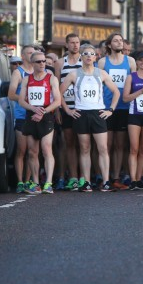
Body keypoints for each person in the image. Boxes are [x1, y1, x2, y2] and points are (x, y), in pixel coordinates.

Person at [59, 44, 120, 192]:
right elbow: (58, 93)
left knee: (103, 148)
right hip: (81, 114)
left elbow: (116, 92)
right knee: (85, 148)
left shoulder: (101, 73)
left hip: (98, 113)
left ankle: (105, 181)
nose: (88, 56)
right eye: (85, 53)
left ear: (95, 57)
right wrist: (68, 110)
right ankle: (86, 182)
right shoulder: (74, 74)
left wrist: (110, 110)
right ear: (81, 56)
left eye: (91, 54)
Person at [18, 51, 62, 194]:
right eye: (39, 62)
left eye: (44, 61)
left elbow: (57, 101)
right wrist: (34, 109)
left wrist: (42, 111)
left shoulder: (51, 78)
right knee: (32, 151)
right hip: (31, 116)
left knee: (46, 148)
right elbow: (21, 100)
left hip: (46, 115)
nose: (42, 64)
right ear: (32, 64)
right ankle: (35, 182)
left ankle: (48, 182)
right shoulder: (27, 79)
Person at [97, 33, 136, 188]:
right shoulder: (102, 62)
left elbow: (135, 82)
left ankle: (116, 177)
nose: (119, 43)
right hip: (106, 107)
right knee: (106, 144)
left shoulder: (130, 61)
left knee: (120, 144)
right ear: (109, 45)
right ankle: (103, 176)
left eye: (121, 40)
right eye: (116, 41)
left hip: (124, 107)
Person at [122, 51, 143, 190]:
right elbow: (125, 98)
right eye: (140, 60)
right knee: (134, 148)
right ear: (136, 62)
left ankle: (140, 176)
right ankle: (133, 179)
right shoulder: (131, 77)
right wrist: (140, 92)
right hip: (134, 115)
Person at [55, 33, 82, 190]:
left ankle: (85, 176)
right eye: (72, 43)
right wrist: (59, 109)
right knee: (69, 143)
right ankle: (72, 177)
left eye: (77, 42)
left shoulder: (85, 61)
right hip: (67, 108)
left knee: (84, 144)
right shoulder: (60, 63)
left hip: (83, 108)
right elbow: (57, 88)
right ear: (66, 45)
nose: (75, 45)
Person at [8, 45, 35, 193]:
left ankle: (28, 181)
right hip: (22, 115)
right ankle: (19, 182)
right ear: (23, 56)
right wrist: (26, 99)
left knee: (33, 151)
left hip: (36, 116)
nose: (32, 55)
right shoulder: (19, 73)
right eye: (29, 53)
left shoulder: (40, 72)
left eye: (34, 53)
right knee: (21, 150)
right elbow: (11, 94)